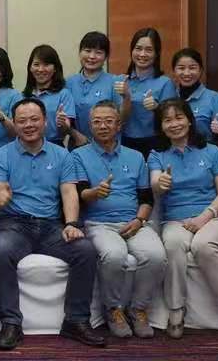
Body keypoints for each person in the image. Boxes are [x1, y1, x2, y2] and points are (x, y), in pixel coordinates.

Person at [0, 97, 105, 350]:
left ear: (45, 122)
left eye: (34, 119)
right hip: (14, 224)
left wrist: (72, 223)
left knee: (85, 250)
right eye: (22, 120)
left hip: (52, 226)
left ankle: (76, 320)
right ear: (14, 123)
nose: (28, 125)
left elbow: (69, 192)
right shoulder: (1, 156)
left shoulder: (62, 155)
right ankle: (10, 323)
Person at [71, 101, 166, 339]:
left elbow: (146, 198)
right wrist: (95, 193)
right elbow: (79, 195)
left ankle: (138, 309)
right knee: (114, 255)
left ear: (119, 125)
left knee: (156, 255)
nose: (102, 126)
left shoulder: (136, 157)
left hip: (134, 222)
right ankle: (113, 309)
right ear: (90, 125)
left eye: (108, 121)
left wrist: (140, 220)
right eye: (97, 122)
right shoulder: (78, 156)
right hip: (98, 223)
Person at [149, 98, 218, 339]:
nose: (174, 124)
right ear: (161, 127)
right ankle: (176, 309)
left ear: (189, 120)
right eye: (167, 120)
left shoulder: (212, 151)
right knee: (173, 244)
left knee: (203, 245)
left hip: (213, 217)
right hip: (175, 220)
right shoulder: (157, 155)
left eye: (179, 117)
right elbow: (155, 183)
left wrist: (203, 218)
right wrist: (160, 183)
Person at [120, 28, 176, 157]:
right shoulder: (121, 81)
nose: (142, 54)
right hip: (123, 142)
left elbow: (172, 119)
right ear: (131, 50)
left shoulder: (165, 83)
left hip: (154, 143)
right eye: (138, 48)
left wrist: (157, 108)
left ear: (157, 53)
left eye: (149, 50)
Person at [66, 32, 129, 148]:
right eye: (87, 51)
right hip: (78, 145)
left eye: (98, 52)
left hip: (108, 145)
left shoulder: (115, 81)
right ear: (80, 52)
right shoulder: (69, 82)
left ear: (106, 57)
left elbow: (122, 118)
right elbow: (64, 119)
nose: (92, 56)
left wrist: (126, 97)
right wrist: (75, 135)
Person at [23, 44, 79, 147]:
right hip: (27, 146)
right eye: (36, 64)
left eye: (46, 65)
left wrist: (62, 123)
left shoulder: (64, 94)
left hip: (54, 145)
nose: (41, 69)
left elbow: (65, 130)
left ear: (55, 68)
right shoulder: (24, 96)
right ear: (30, 68)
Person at [172, 48, 218, 142]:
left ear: (201, 70)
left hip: (204, 149)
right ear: (174, 71)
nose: (186, 73)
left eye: (192, 68)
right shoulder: (169, 96)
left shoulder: (213, 97)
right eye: (181, 68)